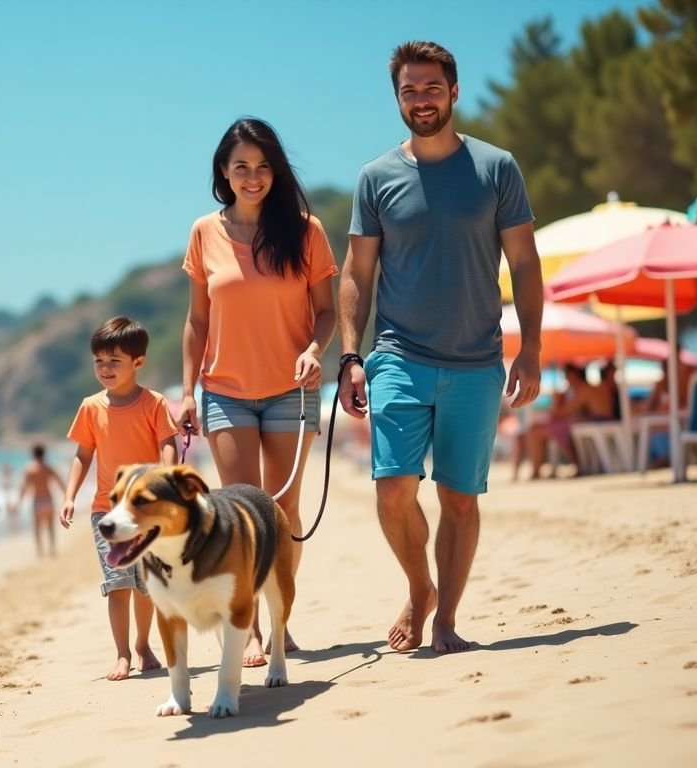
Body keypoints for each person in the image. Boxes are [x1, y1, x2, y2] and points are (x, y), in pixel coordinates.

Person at [337, 41, 543, 654]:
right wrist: (351, 354)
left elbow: (525, 263)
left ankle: (446, 618)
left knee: (459, 497)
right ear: (397, 99)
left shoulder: (496, 168)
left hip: (477, 360)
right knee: (392, 488)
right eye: (409, 90)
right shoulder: (376, 177)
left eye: (431, 88)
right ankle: (419, 586)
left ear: (453, 92)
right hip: (398, 353)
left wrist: (530, 349)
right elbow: (356, 273)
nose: (420, 100)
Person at [178, 117, 338, 667]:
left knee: (284, 510)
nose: (253, 176)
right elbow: (197, 322)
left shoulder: (306, 230)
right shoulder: (204, 232)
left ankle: (280, 622)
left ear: (276, 171)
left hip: (292, 389)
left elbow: (326, 312)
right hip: (224, 391)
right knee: (241, 514)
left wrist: (315, 350)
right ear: (223, 172)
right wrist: (184, 392)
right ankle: (245, 627)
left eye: (262, 166)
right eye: (241, 166)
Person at [60, 316, 180, 681]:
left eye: (115, 361)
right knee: (118, 582)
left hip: (143, 513)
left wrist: (167, 481)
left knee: (145, 584)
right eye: (99, 361)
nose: (105, 368)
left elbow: (168, 444)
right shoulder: (90, 407)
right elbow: (83, 455)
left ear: (138, 362)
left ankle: (144, 645)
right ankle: (123, 653)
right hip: (105, 511)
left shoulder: (154, 403)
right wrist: (69, 496)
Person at [17, 444, 66, 556]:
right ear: (44, 454)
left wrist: (19, 503)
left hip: (37, 502)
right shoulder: (48, 468)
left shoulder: (29, 470)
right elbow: (61, 484)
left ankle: (40, 552)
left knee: (37, 529)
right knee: (50, 527)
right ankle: (52, 550)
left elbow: (23, 488)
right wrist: (68, 498)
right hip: (48, 500)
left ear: (33, 454)